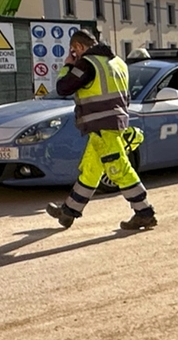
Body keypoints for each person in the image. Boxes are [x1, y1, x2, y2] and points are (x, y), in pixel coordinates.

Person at [46, 29, 158, 231]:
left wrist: (67, 67)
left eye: (74, 50)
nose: (75, 54)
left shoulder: (87, 63)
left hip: (101, 126)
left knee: (119, 169)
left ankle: (144, 213)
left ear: (79, 47)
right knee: (91, 168)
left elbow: (63, 88)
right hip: (114, 123)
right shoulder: (118, 63)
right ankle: (68, 212)